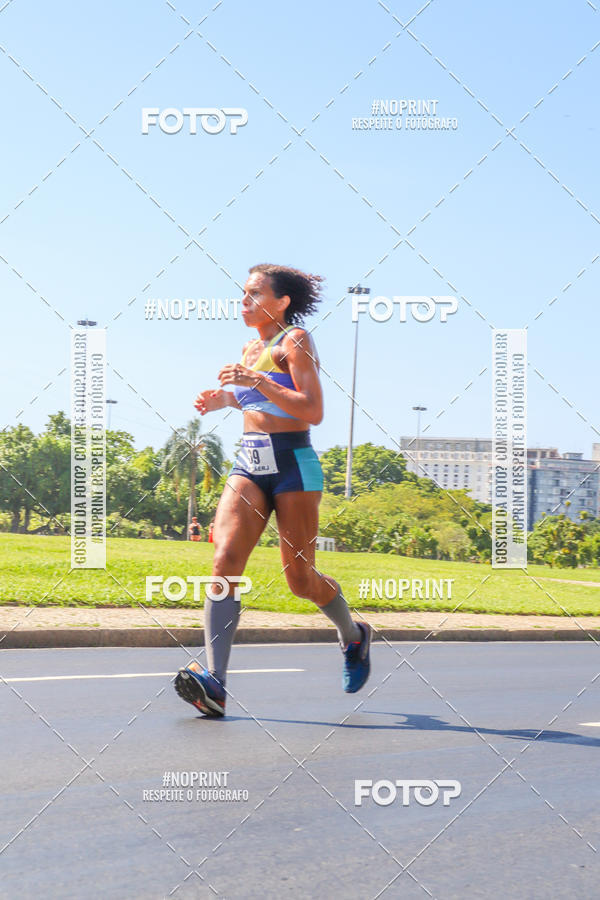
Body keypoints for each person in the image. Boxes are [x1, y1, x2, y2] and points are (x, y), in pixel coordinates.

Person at [174, 264, 371, 717]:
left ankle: (353, 635)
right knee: (224, 560)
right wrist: (222, 398)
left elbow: (313, 409)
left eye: (254, 293)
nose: (244, 301)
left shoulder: (294, 341)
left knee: (300, 580)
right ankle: (216, 684)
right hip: (250, 460)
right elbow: (253, 401)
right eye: (242, 294)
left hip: (293, 463)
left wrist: (255, 380)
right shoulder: (250, 347)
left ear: (281, 302)